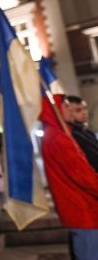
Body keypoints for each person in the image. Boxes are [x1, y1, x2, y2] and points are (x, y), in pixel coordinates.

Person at [40, 95, 98, 260]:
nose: (70, 110)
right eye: (66, 106)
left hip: (83, 208)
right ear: (55, 110)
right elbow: (84, 177)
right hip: (84, 210)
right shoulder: (59, 138)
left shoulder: (58, 135)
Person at [64, 96, 98, 172]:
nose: (84, 112)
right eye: (78, 110)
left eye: (85, 108)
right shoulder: (71, 135)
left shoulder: (87, 132)